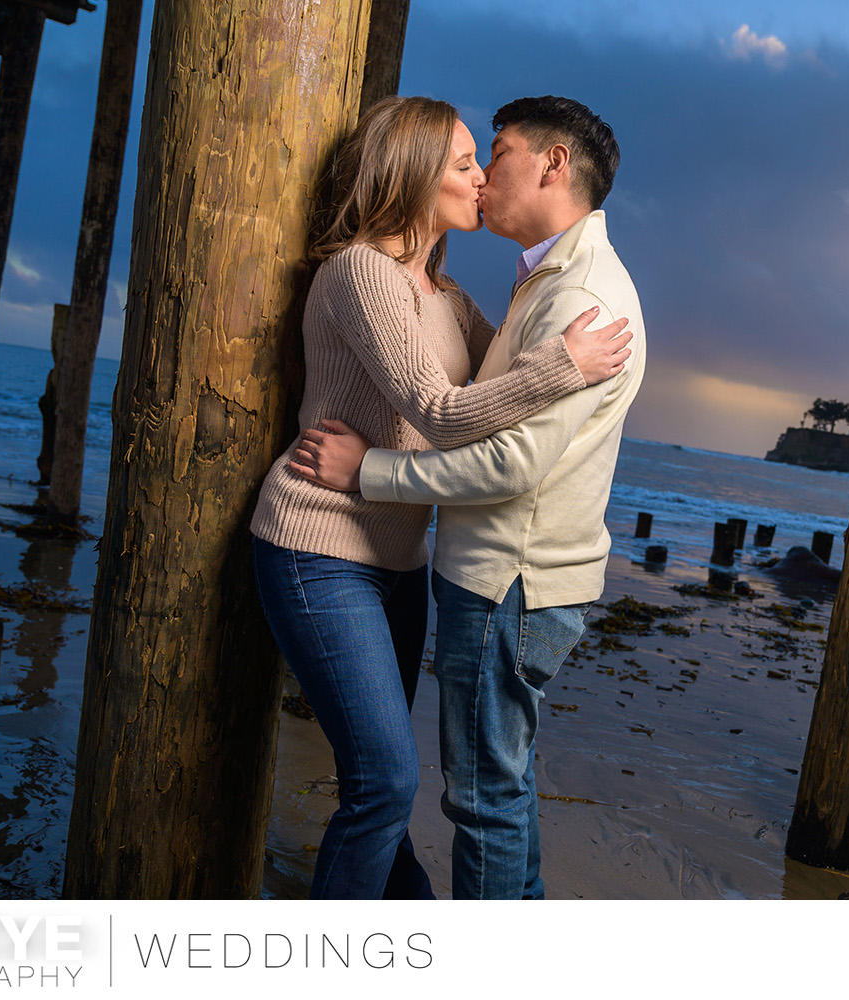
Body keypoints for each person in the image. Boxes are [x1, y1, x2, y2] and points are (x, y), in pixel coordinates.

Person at [248, 95, 634, 900]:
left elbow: (511, 400)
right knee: (386, 783)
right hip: (319, 544)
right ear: (413, 174)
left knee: (384, 783)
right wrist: (564, 364)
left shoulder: (450, 296)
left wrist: (565, 366)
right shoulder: (362, 272)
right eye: (465, 163)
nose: (481, 178)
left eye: (484, 158)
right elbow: (445, 411)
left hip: (398, 560)